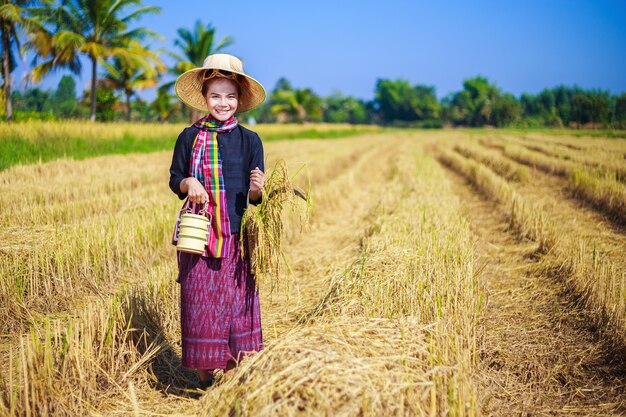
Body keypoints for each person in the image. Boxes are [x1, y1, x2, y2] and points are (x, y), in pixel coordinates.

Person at [168, 53, 266, 390]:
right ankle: (204, 377)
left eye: (230, 96)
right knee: (200, 307)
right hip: (200, 236)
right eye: (215, 96)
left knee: (239, 305)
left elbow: (255, 200)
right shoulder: (190, 137)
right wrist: (188, 183)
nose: (223, 103)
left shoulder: (250, 141)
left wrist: (256, 189)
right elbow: (174, 179)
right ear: (205, 97)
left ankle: (237, 373)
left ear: (239, 99)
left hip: (237, 236)